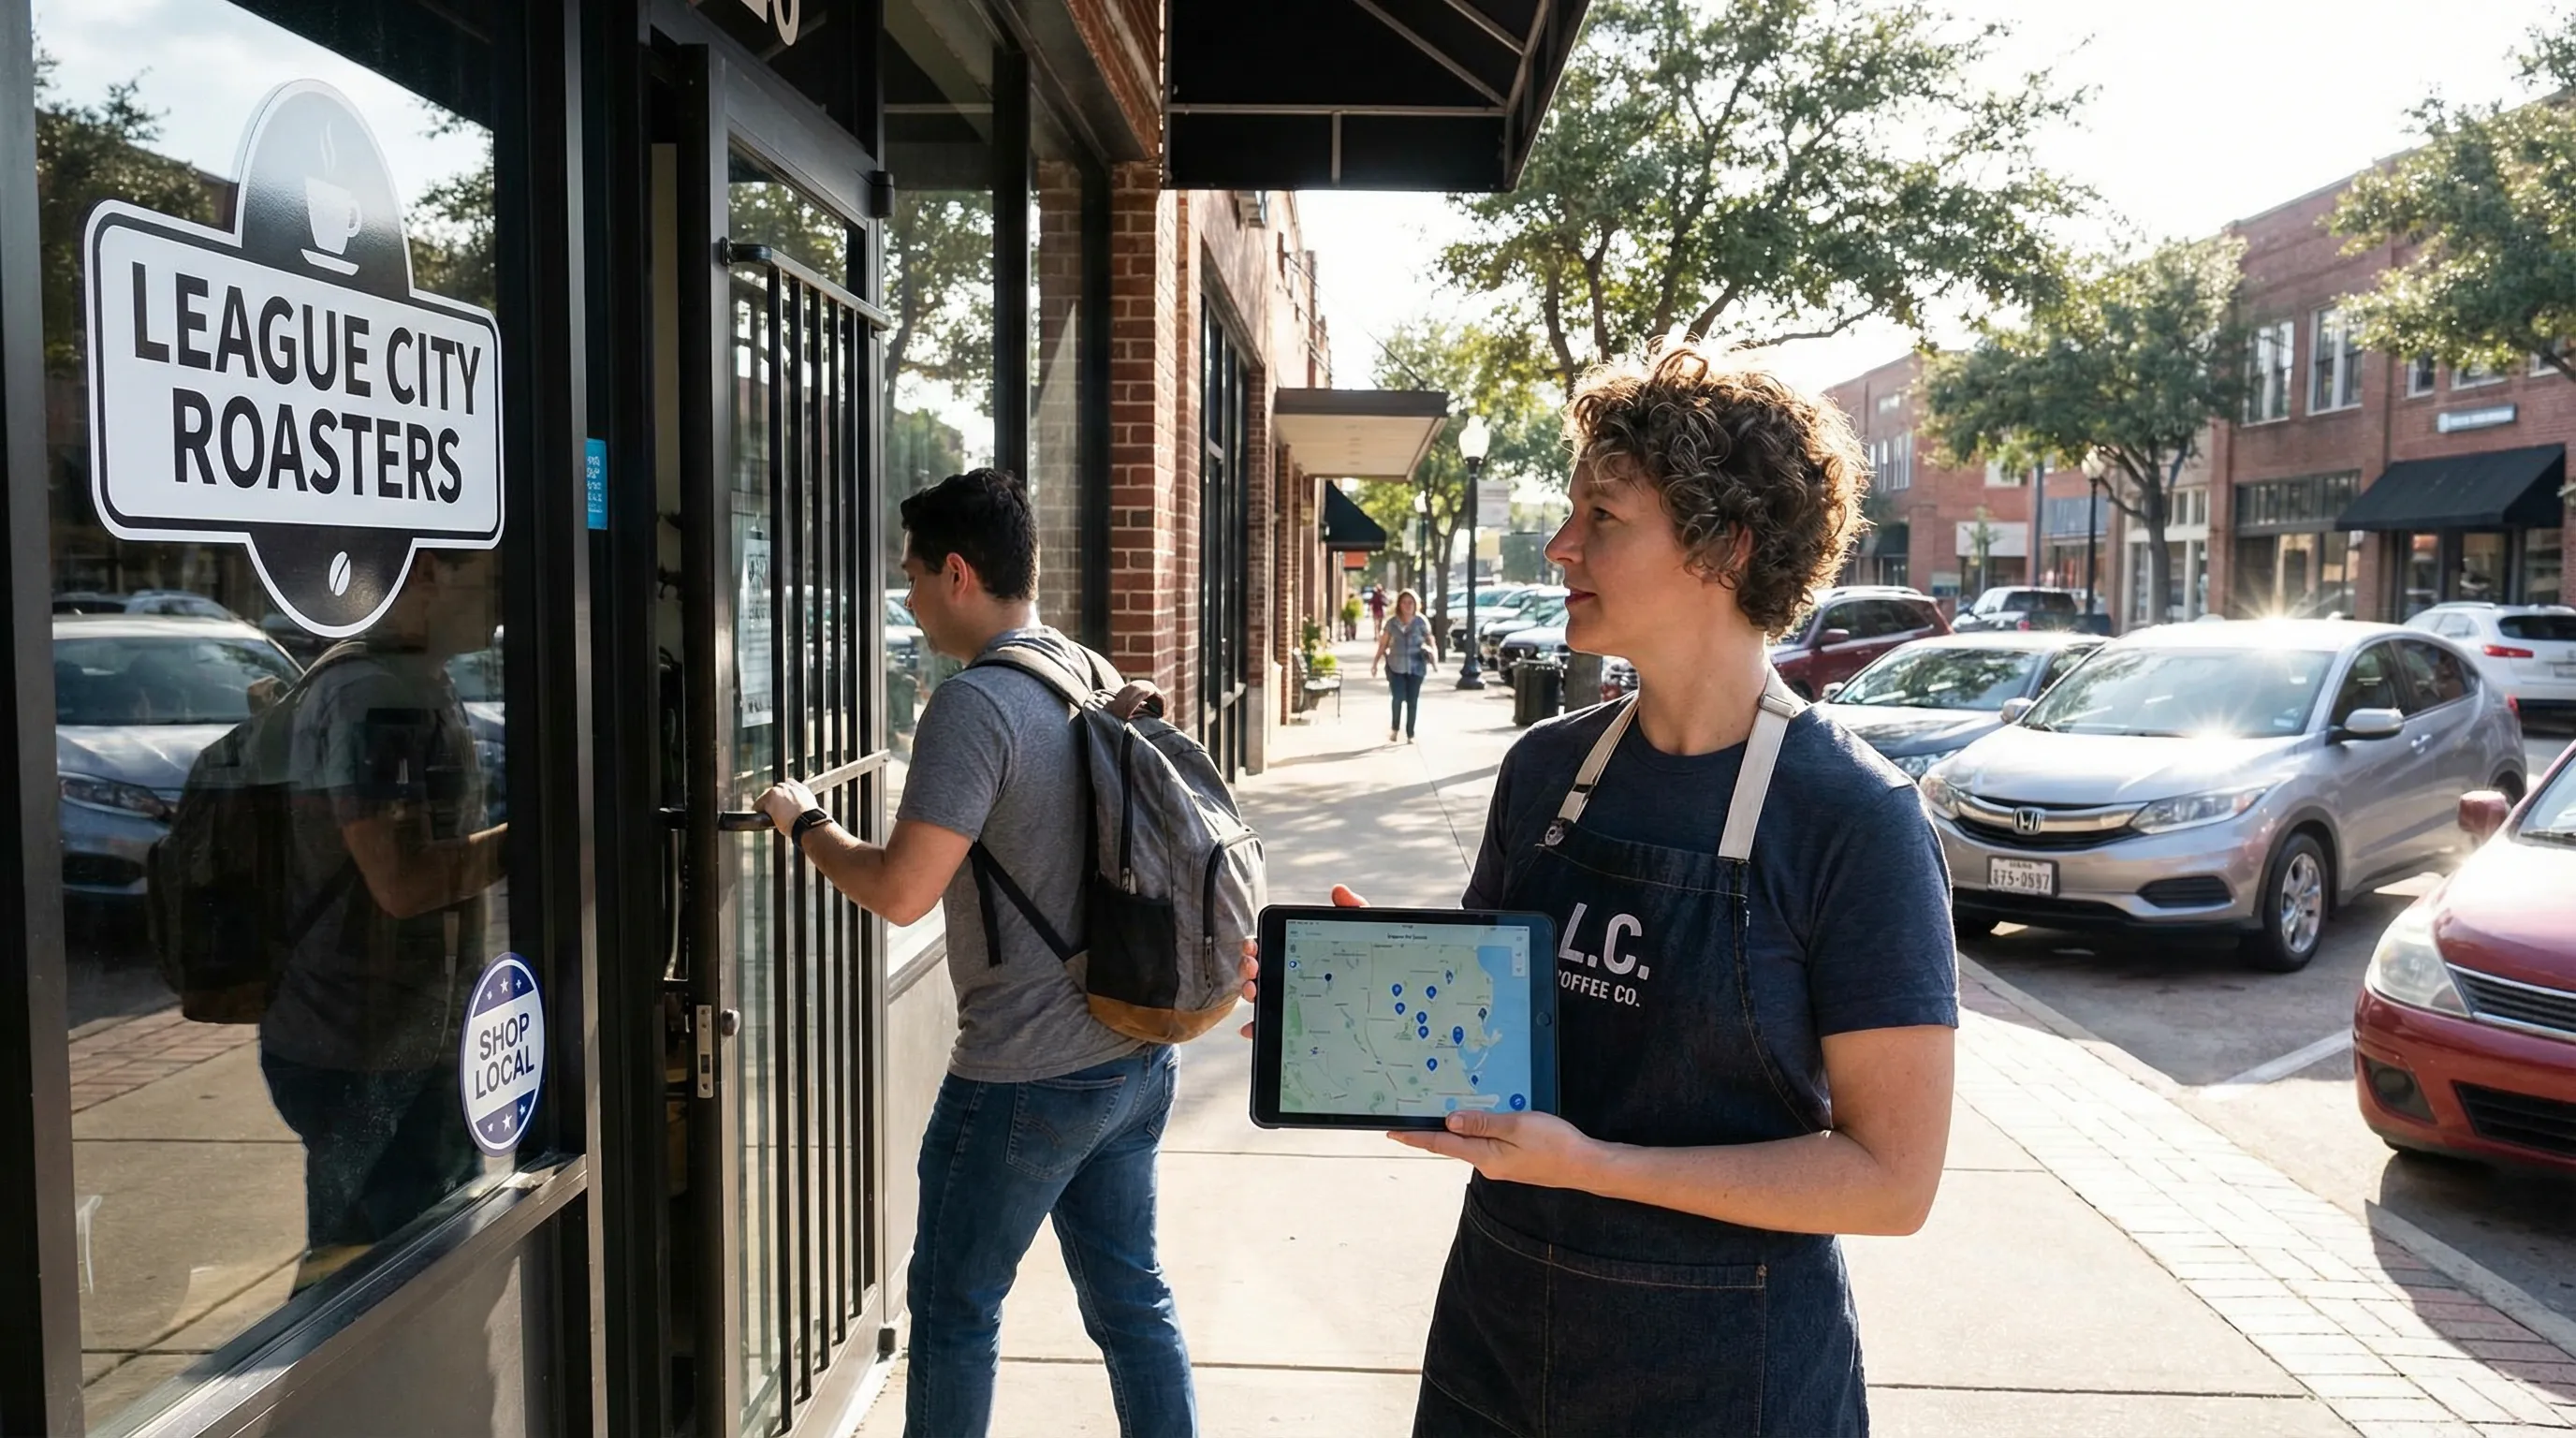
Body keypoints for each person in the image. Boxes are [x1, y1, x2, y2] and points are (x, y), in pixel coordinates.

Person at [1246, 342, 1957, 1435]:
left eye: (1603, 518)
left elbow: (1889, 1181)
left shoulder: (1850, 818)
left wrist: (1596, 1167)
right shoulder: (1544, 771)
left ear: (1724, 548)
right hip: (1500, 1324)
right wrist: (1368, 1011)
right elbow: (1491, 1055)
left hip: (1728, 1370)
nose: (1558, 543)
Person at [754, 468, 1193, 1438]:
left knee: (953, 1313)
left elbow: (902, 889)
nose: (906, 602)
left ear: (957, 573)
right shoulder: (1085, 668)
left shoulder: (975, 705)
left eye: (910, 578)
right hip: (1132, 1050)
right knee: (1132, 1303)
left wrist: (805, 823)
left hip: (1022, 1075)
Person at [261, 548, 508, 1293]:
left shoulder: (402, 679)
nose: (503, 605)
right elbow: (400, 883)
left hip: (372, 1036)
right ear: (429, 573)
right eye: (492, 581)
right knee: (385, 1287)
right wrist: (549, 830)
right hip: (369, 1046)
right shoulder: (379, 695)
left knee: (370, 1269)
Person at [1370, 588, 1435, 743]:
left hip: (1417, 667)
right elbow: (1383, 644)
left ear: (1416, 604)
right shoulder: (1392, 623)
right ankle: (1395, 728)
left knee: (1413, 701)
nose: (1408, 606)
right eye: (1404, 602)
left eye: (1411, 602)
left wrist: (1434, 656)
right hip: (1396, 666)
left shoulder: (1421, 622)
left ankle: (1410, 734)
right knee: (1397, 698)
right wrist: (1375, 662)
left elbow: (1430, 641)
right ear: (1399, 604)